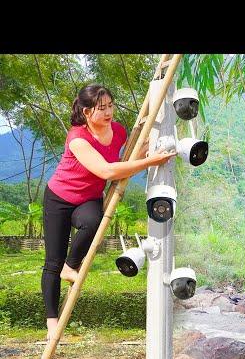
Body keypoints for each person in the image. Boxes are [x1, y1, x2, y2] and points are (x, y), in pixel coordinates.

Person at [42, 84, 176, 342]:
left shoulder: (118, 131)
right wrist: (150, 161)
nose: (108, 112)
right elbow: (107, 171)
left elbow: (124, 161)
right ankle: (51, 323)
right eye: (101, 108)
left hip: (88, 198)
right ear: (86, 111)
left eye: (110, 106)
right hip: (59, 198)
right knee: (52, 262)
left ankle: (71, 267)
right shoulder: (78, 138)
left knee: (93, 223)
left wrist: (146, 149)